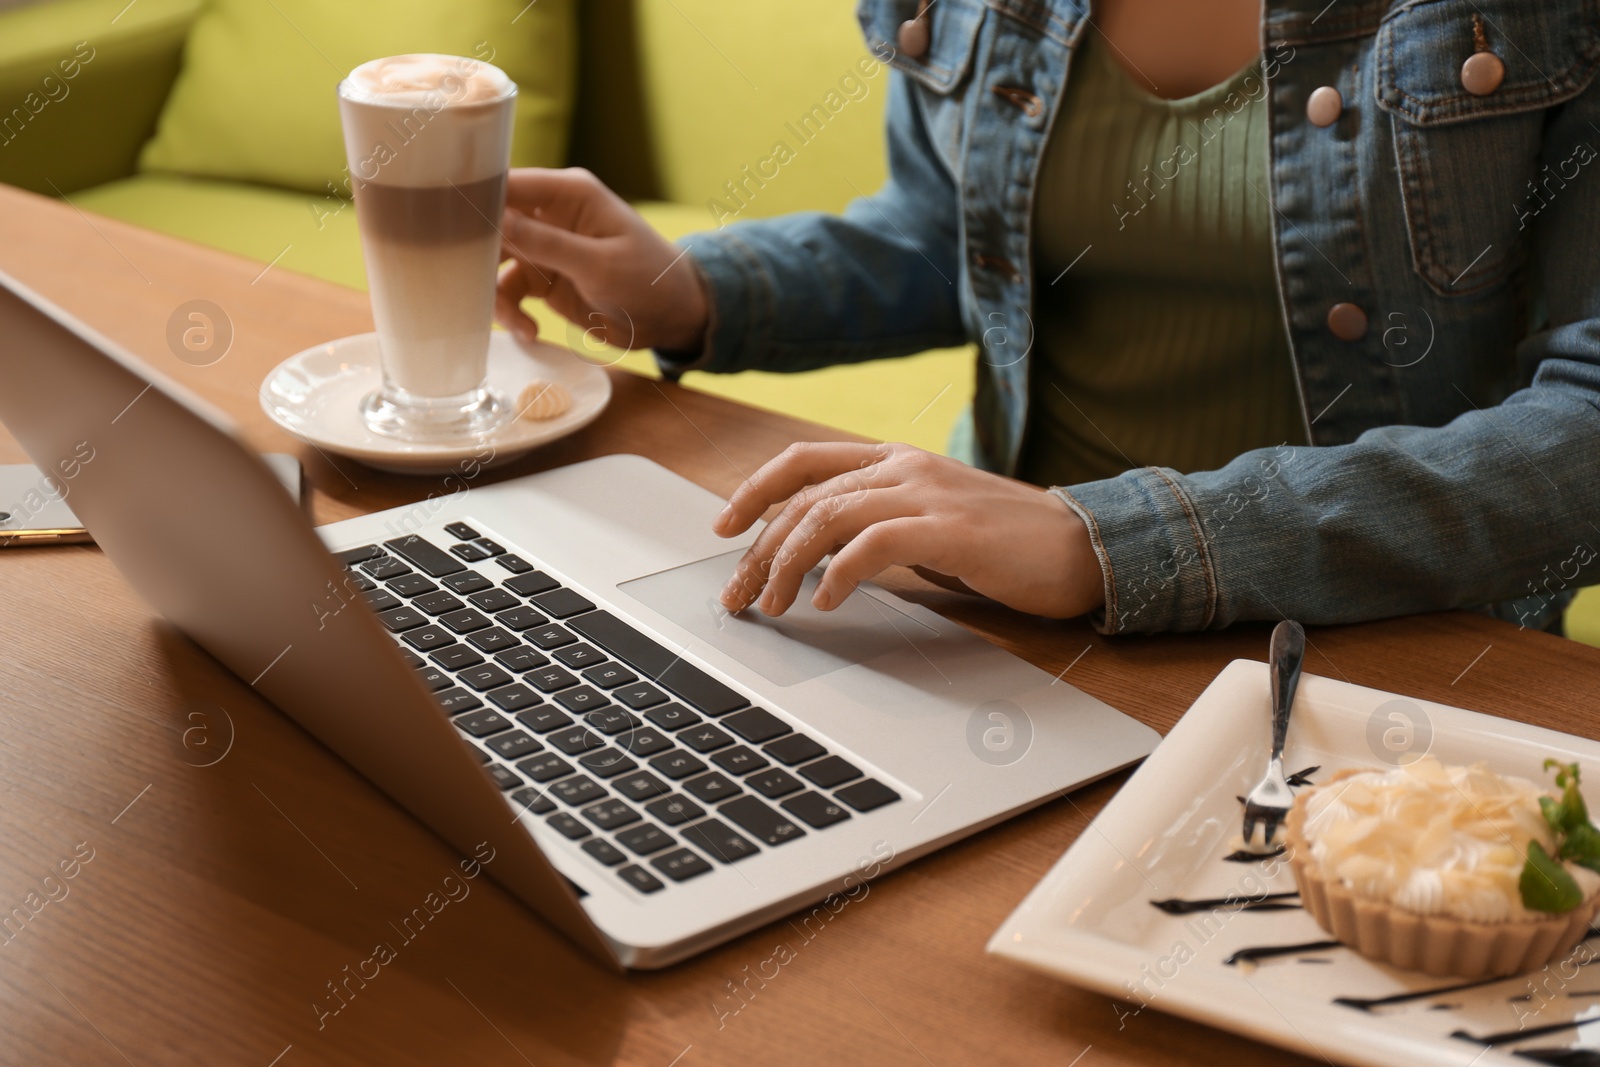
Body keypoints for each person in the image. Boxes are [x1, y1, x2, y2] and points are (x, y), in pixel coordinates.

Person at [492, 0, 1600, 636]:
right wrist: (695, 289)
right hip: (1007, 607)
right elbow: (960, 237)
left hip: (1382, 652)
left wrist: (1113, 541)